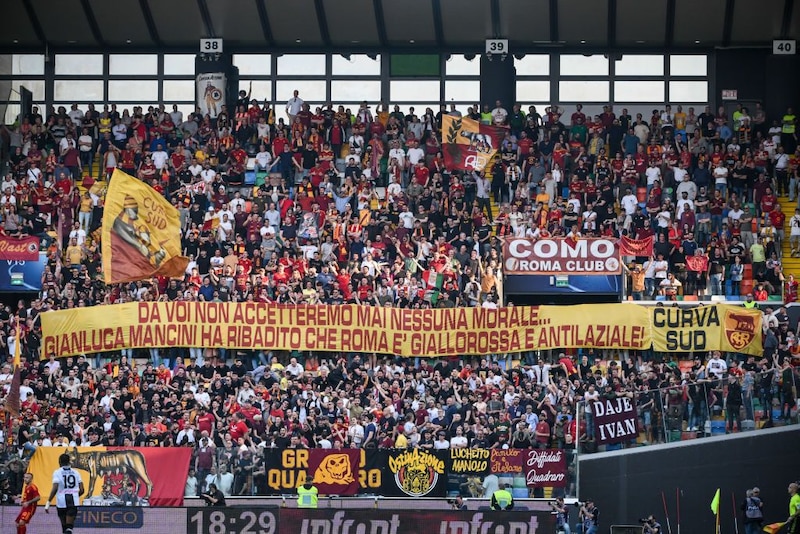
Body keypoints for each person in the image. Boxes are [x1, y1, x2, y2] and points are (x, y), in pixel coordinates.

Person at [45, 453, 85, 534]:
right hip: (73, 502)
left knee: (64, 528)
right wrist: (75, 496)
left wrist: (48, 502)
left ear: (59, 462)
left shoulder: (57, 472)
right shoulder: (76, 472)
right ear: (69, 462)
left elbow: (55, 488)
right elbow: (82, 490)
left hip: (61, 502)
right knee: (69, 528)